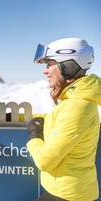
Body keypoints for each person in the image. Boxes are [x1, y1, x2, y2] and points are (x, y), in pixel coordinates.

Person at [27, 38, 100, 201]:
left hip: (68, 196)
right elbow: (58, 120)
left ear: (68, 66)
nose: (45, 71)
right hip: (61, 192)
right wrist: (17, 117)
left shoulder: (78, 107)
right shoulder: (73, 101)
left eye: (49, 64)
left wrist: (34, 135)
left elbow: (45, 161)